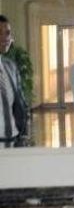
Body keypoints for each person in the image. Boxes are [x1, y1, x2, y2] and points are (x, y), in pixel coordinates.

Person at [0, 15, 30, 148]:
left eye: (7, 33)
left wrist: (23, 135)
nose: (5, 38)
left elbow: (19, 103)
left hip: (13, 141)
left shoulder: (11, 67)